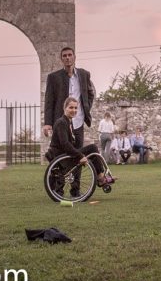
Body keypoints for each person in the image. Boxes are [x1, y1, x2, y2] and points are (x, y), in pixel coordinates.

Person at [43, 46, 96, 195]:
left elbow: (90, 94)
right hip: (62, 123)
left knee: (78, 157)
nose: (67, 58)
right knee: (60, 156)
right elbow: (49, 101)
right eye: (64, 56)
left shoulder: (84, 75)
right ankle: (55, 189)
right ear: (61, 59)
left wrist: (86, 108)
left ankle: (76, 190)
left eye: (70, 55)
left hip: (78, 122)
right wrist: (47, 123)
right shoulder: (54, 77)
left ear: (74, 57)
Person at [46, 97, 114, 191]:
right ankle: (101, 178)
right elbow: (65, 144)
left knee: (93, 151)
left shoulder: (69, 123)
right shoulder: (61, 122)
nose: (73, 110)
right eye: (71, 107)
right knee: (92, 148)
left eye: (75, 108)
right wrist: (80, 155)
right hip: (60, 157)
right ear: (64, 108)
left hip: (65, 154)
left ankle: (100, 177)